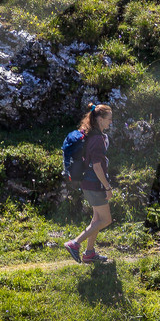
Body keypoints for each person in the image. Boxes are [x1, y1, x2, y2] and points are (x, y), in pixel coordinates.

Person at [65, 104, 114, 264]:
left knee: (96, 219)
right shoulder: (97, 139)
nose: (110, 122)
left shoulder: (90, 134)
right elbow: (98, 167)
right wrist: (107, 187)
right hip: (95, 185)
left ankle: (89, 253)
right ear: (100, 119)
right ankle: (75, 243)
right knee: (106, 220)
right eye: (109, 119)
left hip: (88, 183)